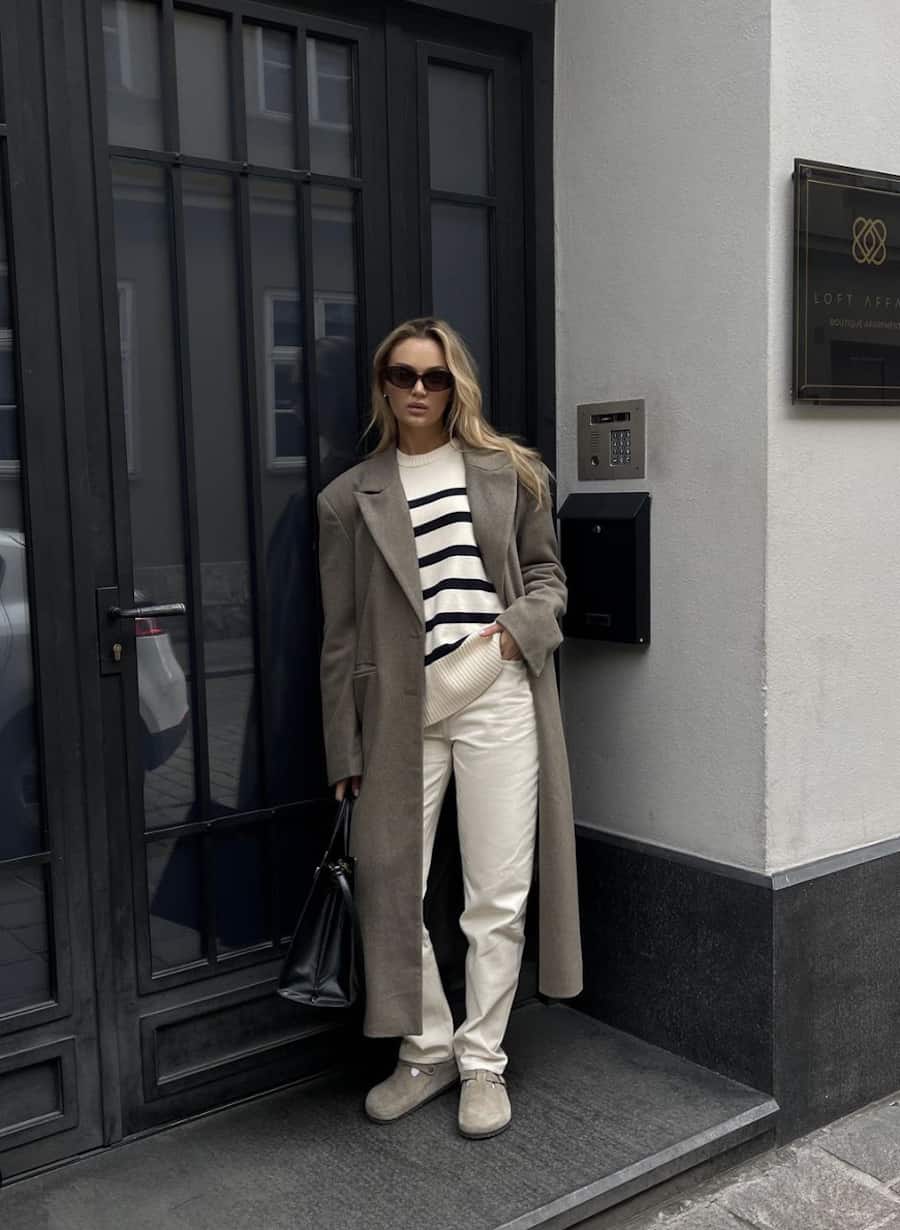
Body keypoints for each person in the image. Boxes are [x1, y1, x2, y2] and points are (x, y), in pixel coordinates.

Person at [316, 317, 583, 1141]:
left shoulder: (509, 473)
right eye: (404, 376)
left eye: (435, 377)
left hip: (498, 693)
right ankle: (425, 1049)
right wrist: (343, 749)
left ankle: (483, 1061)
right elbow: (340, 636)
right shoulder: (347, 498)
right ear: (383, 386)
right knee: (393, 886)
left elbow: (547, 579)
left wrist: (509, 637)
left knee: (495, 897)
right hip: (401, 711)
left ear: (456, 383)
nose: (420, 391)